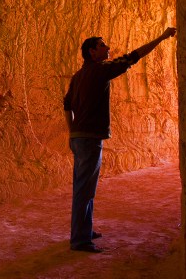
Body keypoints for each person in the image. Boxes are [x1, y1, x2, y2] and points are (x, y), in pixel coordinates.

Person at [63, 28, 177, 252]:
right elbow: (134, 56)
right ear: (92, 52)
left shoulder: (78, 76)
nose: (108, 48)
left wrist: (72, 132)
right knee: (84, 190)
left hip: (79, 137)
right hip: (90, 137)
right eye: (102, 45)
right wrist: (162, 37)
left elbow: (67, 106)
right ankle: (80, 240)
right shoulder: (100, 70)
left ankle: (84, 230)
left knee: (84, 187)